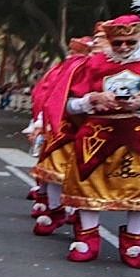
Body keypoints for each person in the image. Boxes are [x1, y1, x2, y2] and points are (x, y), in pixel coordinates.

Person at [50, 14, 140, 266]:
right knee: (88, 186)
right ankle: (87, 238)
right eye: (117, 43)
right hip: (97, 136)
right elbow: (67, 105)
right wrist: (92, 100)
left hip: (138, 136)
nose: (123, 47)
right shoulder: (92, 65)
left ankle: (135, 241)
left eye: (130, 42)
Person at [26, 36, 94, 237]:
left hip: (113, 132)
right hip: (69, 127)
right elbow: (52, 96)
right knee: (55, 168)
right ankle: (56, 209)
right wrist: (39, 122)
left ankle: (83, 216)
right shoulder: (73, 67)